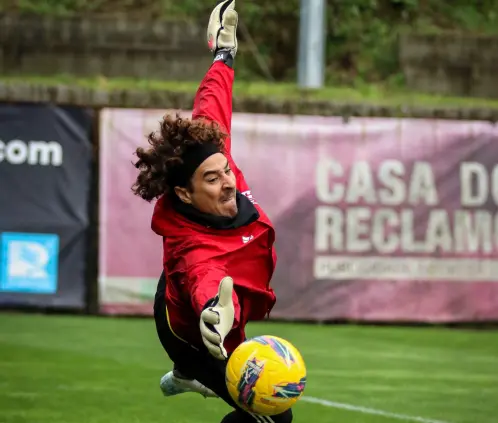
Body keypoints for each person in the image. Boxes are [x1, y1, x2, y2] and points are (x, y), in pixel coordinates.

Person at [132, 1, 292, 422]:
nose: (229, 182)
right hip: (192, 330)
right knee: (273, 415)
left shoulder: (216, 162)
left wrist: (224, 54)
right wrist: (213, 313)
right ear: (184, 194)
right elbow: (204, 278)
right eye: (212, 179)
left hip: (202, 307)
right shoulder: (191, 249)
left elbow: (212, 103)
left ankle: (185, 375)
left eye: (225, 170)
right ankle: (189, 366)